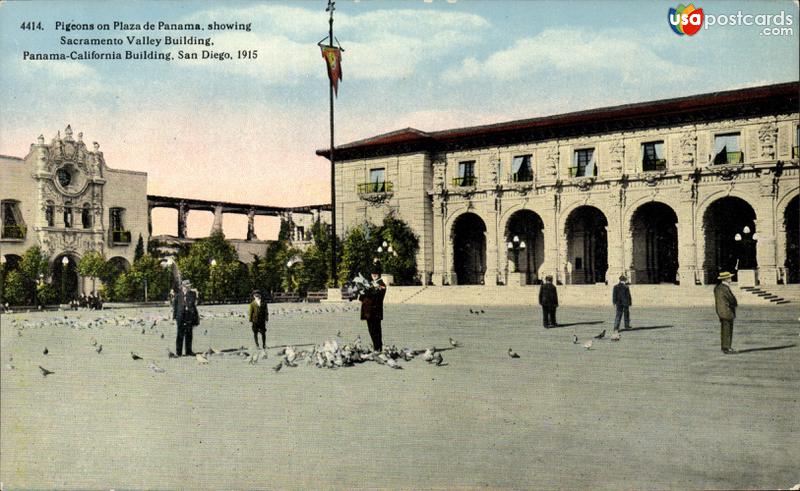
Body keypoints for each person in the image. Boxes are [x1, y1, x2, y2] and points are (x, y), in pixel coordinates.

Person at [359, 263, 387, 352]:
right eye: (372, 274)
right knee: (371, 330)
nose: (374, 275)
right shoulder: (369, 284)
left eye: (376, 274)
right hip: (368, 311)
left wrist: (368, 290)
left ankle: (378, 348)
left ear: (378, 275)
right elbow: (361, 298)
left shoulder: (381, 284)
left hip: (375, 311)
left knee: (376, 330)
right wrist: (362, 292)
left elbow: (376, 296)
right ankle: (376, 347)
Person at [173, 279, 199, 356]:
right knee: (180, 335)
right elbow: (175, 306)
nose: (188, 288)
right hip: (180, 316)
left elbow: (193, 304)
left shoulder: (193, 294)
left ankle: (188, 351)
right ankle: (179, 352)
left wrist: (195, 318)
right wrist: (174, 317)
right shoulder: (178, 295)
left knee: (189, 334)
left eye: (189, 286)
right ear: (182, 287)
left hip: (189, 316)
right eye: (186, 286)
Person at [714, 271, 738, 354]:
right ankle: (727, 348)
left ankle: (725, 347)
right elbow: (731, 299)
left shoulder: (718, 287)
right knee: (728, 330)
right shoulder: (725, 288)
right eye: (729, 278)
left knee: (724, 330)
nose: (731, 279)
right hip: (727, 311)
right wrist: (734, 303)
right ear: (726, 279)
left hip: (721, 311)